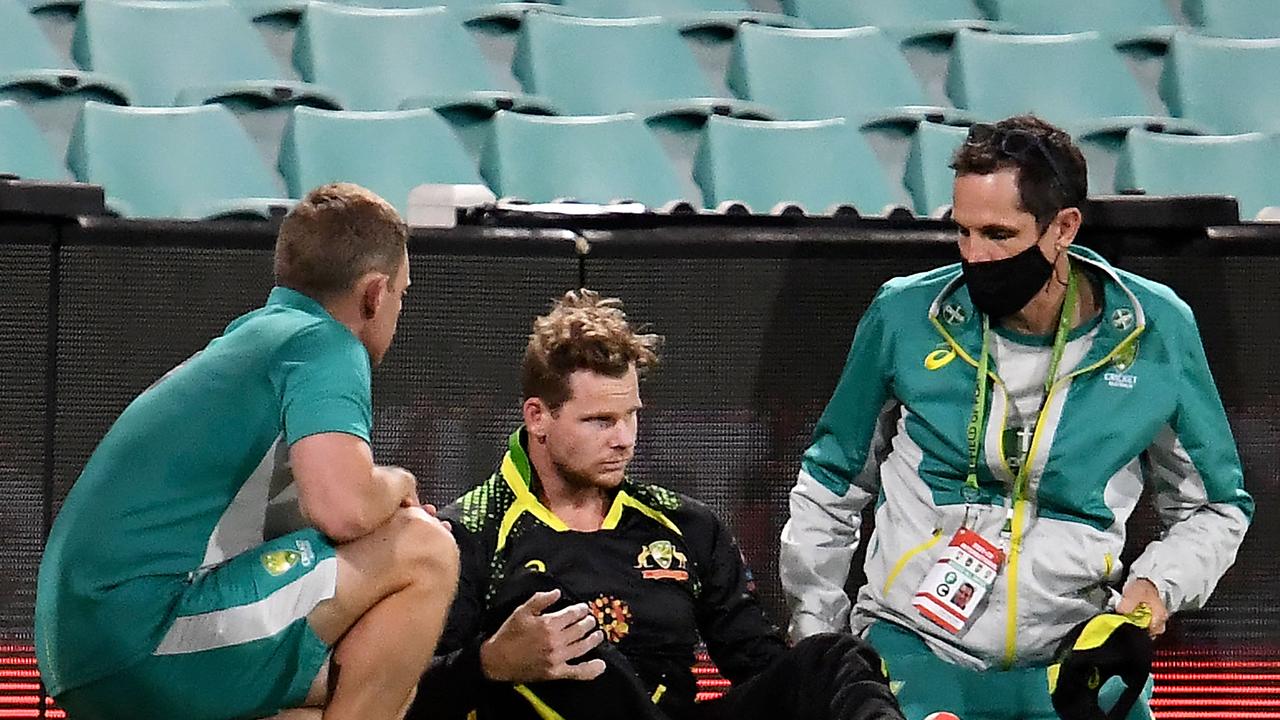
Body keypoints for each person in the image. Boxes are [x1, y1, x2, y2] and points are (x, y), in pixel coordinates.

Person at [780, 115, 1254, 720]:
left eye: (999, 235)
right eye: (963, 233)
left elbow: (1217, 506)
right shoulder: (904, 313)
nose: (975, 257)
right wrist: (820, 641)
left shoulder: (1156, 330)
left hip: (1072, 659)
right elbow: (831, 482)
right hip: (911, 645)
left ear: (1063, 228)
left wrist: (1148, 596)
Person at [36, 183, 460, 720]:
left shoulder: (254, 339)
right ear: (375, 295)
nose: (398, 310)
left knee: (361, 677)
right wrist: (398, 483)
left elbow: (295, 520)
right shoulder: (323, 343)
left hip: (86, 652)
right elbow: (345, 507)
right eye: (402, 294)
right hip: (146, 635)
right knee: (423, 550)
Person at [411, 290, 905, 720]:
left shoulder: (687, 525)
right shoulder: (469, 533)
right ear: (538, 417)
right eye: (600, 421)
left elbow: (762, 666)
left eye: (631, 416)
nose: (624, 440)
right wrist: (489, 662)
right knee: (565, 631)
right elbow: (407, 700)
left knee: (832, 659)